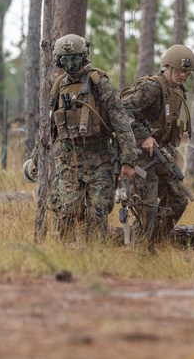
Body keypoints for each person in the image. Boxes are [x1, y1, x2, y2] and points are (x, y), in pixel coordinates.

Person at [43, 34, 137, 241]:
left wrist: (128, 161)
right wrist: (36, 157)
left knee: (98, 210)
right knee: (68, 209)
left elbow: (121, 123)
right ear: (58, 60)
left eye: (75, 58)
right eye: (65, 59)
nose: (70, 64)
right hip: (70, 158)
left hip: (99, 158)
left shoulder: (98, 83)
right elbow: (49, 128)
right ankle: (63, 254)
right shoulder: (59, 86)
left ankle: (96, 254)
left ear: (84, 57)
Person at [120, 44, 194, 248]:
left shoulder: (178, 91)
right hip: (141, 158)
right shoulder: (151, 87)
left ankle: (151, 243)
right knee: (147, 207)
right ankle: (140, 251)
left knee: (178, 199)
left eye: (187, 72)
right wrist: (143, 136)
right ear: (168, 67)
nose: (184, 75)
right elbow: (120, 111)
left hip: (162, 154)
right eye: (180, 71)